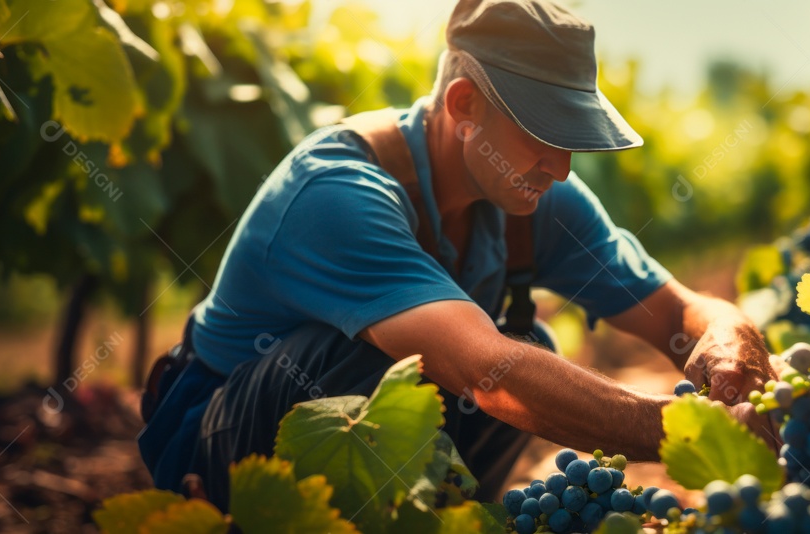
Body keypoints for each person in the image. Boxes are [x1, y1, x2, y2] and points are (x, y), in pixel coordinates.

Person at [137, 0, 776, 509]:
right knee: (389, 356)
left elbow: (678, 311)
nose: (561, 166)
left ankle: (442, 518)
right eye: (545, 133)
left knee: (534, 348)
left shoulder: (533, 194)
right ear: (464, 106)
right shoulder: (337, 192)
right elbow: (484, 372)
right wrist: (680, 430)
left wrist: (731, 341)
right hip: (218, 439)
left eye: (573, 137)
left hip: (359, 442)